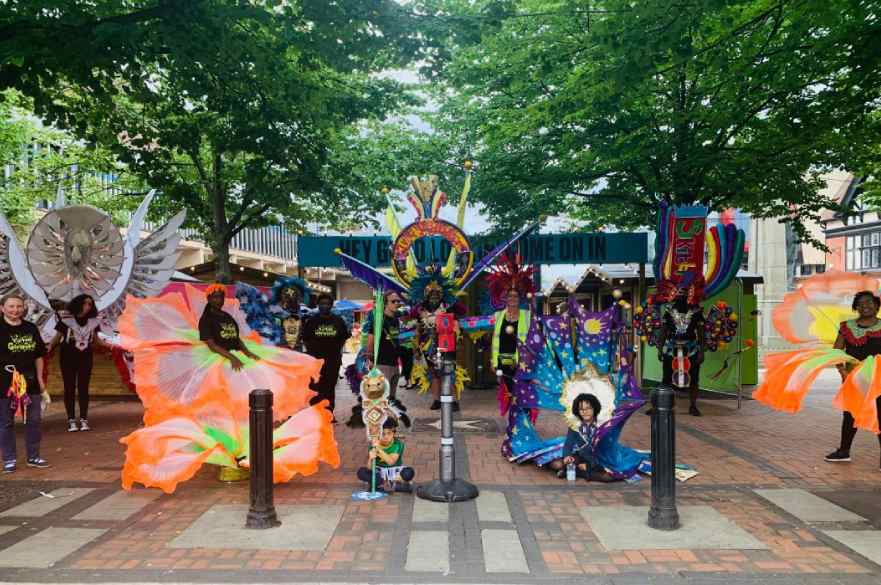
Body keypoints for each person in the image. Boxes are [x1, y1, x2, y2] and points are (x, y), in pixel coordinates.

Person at [825, 290, 881, 466]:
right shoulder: (846, 327)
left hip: (878, 380)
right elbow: (836, 352)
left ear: (877, 306)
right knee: (850, 415)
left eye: (870, 302)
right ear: (856, 307)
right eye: (861, 303)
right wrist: (842, 371)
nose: (866, 306)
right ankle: (843, 452)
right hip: (853, 379)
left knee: (880, 415)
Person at [0, 293, 50, 472]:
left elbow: (39, 356)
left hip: (30, 382)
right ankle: (9, 459)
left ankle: (34, 456)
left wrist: (40, 379)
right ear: (2, 308)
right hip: (5, 383)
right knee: (6, 422)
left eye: (19, 306)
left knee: (34, 420)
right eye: (11, 306)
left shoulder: (30, 328)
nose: (15, 310)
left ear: (23, 308)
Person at [48, 294, 109, 432]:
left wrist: (114, 347)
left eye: (90, 304)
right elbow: (56, 338)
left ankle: (83, 419)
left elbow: (97, 340)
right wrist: (48, 348)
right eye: (85, 303)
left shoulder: (93, 321)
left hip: (85, 357)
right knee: (69, 387)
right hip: (67, 356)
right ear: (77, 304)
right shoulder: (66, 320)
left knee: (83, 387)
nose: (87, 306)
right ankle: (71, 419)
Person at [658, 287, 705, 416]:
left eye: (683, 295)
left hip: (691, 348)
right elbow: (663, 330)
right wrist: (660, 348)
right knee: (666, 379)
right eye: (679, 295)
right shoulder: (669, 310)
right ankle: (663, 405)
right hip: (671, 348)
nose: (681, 297)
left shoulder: (696, 311)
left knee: (694, 379)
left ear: (688, 296)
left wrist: (701, 351)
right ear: (675, 296)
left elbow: (701, 333)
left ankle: (693, 406)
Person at [302, 293, 349, 419]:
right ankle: (316, 413)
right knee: (316, 386)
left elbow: (344, 337)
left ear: (331, 306)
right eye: (322, 303)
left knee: (330, 387)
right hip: (316, 362)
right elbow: (305, 339)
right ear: (318, 305)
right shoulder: (312, 321)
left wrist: (335, 350)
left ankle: (328, 412)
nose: (325, 306)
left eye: (328, 304)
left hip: (333, 360)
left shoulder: (338, 320)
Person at [199, 284, 261, 371]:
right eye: (215, 297)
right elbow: (212, 345)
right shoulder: (205, 319)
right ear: (209, 299)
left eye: (221, 297)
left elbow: (236, 338)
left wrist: (247, 352)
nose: (219, 300)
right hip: (220, 357)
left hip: (235, 353)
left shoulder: (227, 316)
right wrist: (233, 358)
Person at [561, 393, 617, 482]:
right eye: (581, 409)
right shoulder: (575, 425)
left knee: (608, 477)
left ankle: (579, 471)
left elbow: (605, 451)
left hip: (597, 460)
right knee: (556, 464)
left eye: (588, 408)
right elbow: (568, 444)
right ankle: (580, 470)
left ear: (595, 408)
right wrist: (567, 456)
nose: (584, 411)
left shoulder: (602, 426)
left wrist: (588, 465)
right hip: (580, 456)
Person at [356, 417, 414, 492]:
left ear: (393, 433)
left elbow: (391, 462)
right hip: (379, 473)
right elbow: (369, 468)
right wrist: (370, 458)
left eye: (389, 433)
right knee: (361, 472)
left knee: (408, 472)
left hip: (394, 473)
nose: (386, 437)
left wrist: (378, 449)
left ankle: (380, 485)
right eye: (383, 434)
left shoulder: (398, 444)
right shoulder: (373, 444)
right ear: (379, 434)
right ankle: (389, 485)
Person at [365, 291, 404, 403]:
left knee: (391, 398)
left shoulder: (396, 320)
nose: (397, 303)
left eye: (398, 301)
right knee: (380, 399)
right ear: (386, 303)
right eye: (393, 301)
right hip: (382, 364)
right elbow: (370, 340)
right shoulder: (379, 320)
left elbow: (397, 338)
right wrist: (371, 360)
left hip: (395, 364)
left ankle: (389, 419)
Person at [492, 288, 531, 387]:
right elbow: (494, 340)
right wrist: (493, 361)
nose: (512, 298)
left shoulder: (527, 315)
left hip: (521, 361)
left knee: (521, 391)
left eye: (515, 296)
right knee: (505, 392)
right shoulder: (498, 315)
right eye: (510, 296)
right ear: (506, 299)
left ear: (519, 299)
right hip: (502, 361)